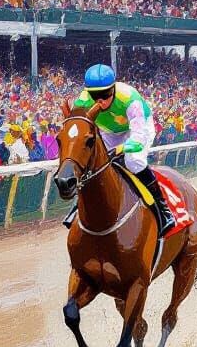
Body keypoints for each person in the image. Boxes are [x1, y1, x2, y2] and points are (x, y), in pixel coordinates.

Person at [73, 63, 176, 236]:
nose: (100, 101)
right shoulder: (82, 101)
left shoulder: (130, 99)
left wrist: (120, 149)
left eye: (105, 94)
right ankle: (77, 205)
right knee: (93, 161)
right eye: (95, 95)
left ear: (113, 88)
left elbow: (137, 141)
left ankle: (163, 209)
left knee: (133, 161)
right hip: (109, 132)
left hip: (138, 128)